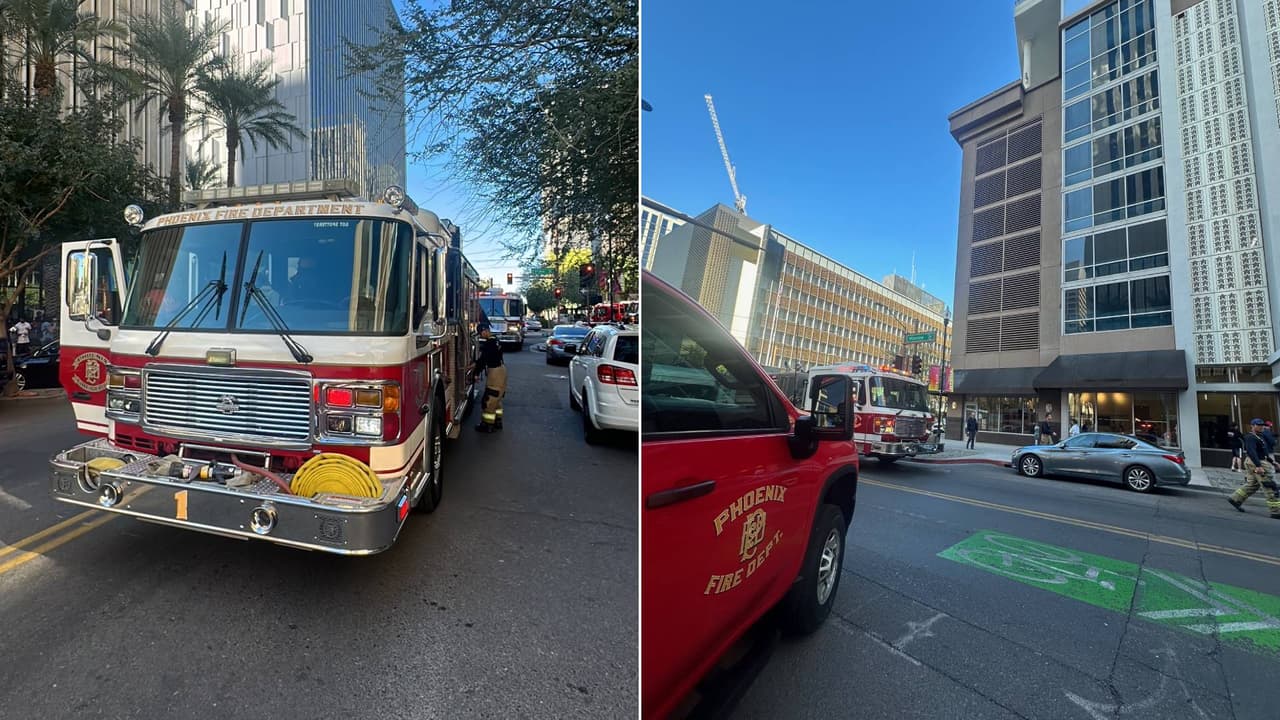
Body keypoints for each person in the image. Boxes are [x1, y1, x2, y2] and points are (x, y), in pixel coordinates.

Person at [1228, 418, 1280, 519]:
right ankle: (1276, 511)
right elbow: (1252, 452)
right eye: (1259, 425)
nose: (1261, 426)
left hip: (1259, 461)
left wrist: (1273, 462)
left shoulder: (1259, 436)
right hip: (1256, 462)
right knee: (1269, 485)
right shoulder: (1250, 437)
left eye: (1262, 425)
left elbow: (1263, 453)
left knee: (1253, 484)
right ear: (1252, 426)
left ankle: (1235, 499)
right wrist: (1259, 466)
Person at [474, 322, 506, 433]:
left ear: (485, 330)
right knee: (497, 399)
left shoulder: (489, 344)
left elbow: (483, 360)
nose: (481, 335)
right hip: (502, 370)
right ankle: (498, 421)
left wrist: (476, 373)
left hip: (495, 373)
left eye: (480, 333)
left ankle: (487, 425)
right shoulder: (496, 340)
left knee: (489, 400)